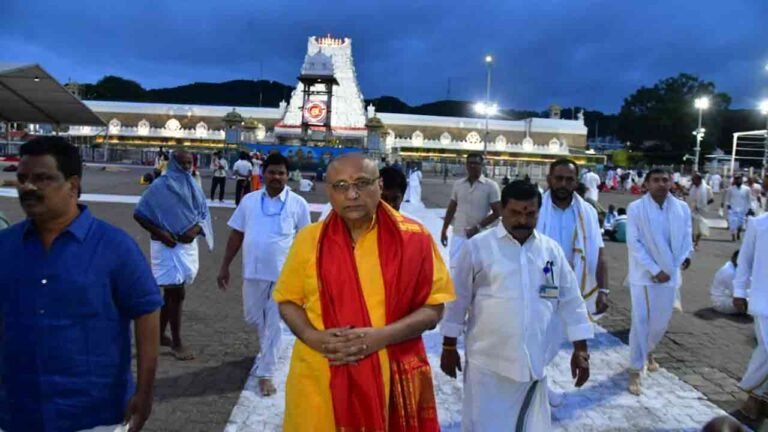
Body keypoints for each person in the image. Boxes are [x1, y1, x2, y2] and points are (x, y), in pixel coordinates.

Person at [273, 154, 454, 431]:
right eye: (341, 186)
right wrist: (313, 337)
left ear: (379, 185)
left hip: (392, 376)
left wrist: (383, 336)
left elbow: (434, 309)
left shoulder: (415, 239)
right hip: (319, 375)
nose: (352, 194)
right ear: (329, 191)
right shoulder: (310, 240)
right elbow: (287, 301)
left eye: (362, 183)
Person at [0, 136, 163, 431]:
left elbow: (147, 312)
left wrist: (145, 391)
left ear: (73, 186)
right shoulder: (5, 246)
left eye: (42, 178)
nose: (28, 187)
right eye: (22, 178)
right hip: (17, 411)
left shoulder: (115, 247)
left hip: (94, 415)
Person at [439, 180, 593, 431]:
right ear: (502, 211)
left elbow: (572, 302)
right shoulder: (478, 247)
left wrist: (581, 350)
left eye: (530, 213)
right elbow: (457, 299)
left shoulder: (550, 251)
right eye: (515, 213)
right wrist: (448, 345)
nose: (523, 220)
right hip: (487, 366)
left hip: (533, 364)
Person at [217, 153, 310, 396]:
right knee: (253, 318)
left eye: (281, 173)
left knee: (274, 323)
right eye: (272, 172)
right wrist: (225, 265)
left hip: (284, 276)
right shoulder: (248, 200)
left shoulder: (298, 204)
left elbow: (306, 242)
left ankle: (266, 373)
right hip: (252, 272)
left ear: (288, 176)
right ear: (263, 174)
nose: (276, 177)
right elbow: (236, 234)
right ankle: (269, 349)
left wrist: (307, 277)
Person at [536, 159, 607, 405]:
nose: (563, 184)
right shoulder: (535, 207)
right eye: (559, 178)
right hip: (538, 285)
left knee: (553, 342)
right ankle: (536, 389)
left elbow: (598, 252)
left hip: (571, 287)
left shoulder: (587, 211)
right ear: (549, 179)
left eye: (569, 179)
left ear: (576, 182)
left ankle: (537, 387)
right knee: (535, 340)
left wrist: (603, 289)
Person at [134, 150, 213, 361]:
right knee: (175, 293)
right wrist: (162, 233)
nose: (187, 167)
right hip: (166, 245)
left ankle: (158, 335)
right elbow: (140, 214)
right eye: (183, 163)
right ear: (174, 164)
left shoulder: (193, 184)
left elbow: (203, 214)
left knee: (176, 293)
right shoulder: (160, 186)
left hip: (186, 245)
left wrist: (195, 230)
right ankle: (177, 343)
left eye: (190, 163)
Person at [626, 168, 693, 395]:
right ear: (646, 183)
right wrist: (654, 269)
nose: (661, 184)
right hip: (644, 276)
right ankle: (635, 369)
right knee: (641, 321)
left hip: (671, 274)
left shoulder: (681, 209)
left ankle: (649, 349)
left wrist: (682, 260)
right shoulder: (636, 209)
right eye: (656, 180)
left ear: (671, 183)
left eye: (665, 180)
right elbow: (634, 244)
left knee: (660, 323)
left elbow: (687, 238)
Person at [440, 153, 501, 273]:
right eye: (469, 163)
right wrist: (444, 229)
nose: (472, 166)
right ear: (466, 165)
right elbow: (452, 208)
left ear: (482, 165)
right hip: (459, 234)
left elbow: (497, 212)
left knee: (478, 272)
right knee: (455, 270)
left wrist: (477, 227)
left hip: (480, 236)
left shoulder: (491, 186)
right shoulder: (458, 184)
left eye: (476, 163)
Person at [733, 212, 768, 420]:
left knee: (765, 351)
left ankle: (756, 398)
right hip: (764, 300)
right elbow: (744, 260)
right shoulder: (759, 224)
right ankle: (753, 397)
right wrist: (739, 291)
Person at [710, 250, 741, 315]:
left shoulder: (730, 266)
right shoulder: (730, 272)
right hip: (721, 303)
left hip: (720, 299)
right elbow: (737, 294)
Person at [689, 173, 715, 249]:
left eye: (694, 180)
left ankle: (696, 243)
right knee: (691, 226)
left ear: (699, 180)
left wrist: (702, 205)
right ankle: (691, 241)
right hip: (692, 210)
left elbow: (711, 199)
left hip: (702, 211)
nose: (692, 181)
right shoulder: (693, 188)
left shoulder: (707, 188)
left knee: (700, 228)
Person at [722, 176, 751, 241]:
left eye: (740, 180)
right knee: (732, 222)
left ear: (742, 181)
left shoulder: (747, 189)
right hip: (733, 209)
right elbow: (727, 198)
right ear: (735, 181)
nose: (739, 181)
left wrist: (749, 208)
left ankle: (738, 232)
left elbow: (749, 199)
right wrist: (728, 205)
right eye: (737, 180)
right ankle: (733, 236)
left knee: (740, 223)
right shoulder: (731, 189)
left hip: (742, 209)